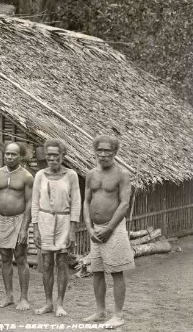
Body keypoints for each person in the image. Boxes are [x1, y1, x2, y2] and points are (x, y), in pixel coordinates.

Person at [83, 135, 134, 329]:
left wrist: (110, 228)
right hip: (95, 230)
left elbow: (124, 204)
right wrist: (88, 227)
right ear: (95, 151)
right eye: (100, 150)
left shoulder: (122, 174)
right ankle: (100, 311)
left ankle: (118, 315)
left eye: (107, 151)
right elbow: (86, 201)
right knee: (96, 271)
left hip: (113, 229)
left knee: (116, 271)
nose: (103, 154)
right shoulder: (91, 174)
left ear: (115, 153)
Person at [31, 138, 81, 316]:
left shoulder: (71, 175)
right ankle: (48, 303)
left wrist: (73, 230)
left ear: (63, 156)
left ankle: (60, 303)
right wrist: (35, 228)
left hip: (63, 222)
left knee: (61, 262)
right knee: (46, 263)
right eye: (49, 155)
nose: (52, 159)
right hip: (44, 221)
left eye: (56, 155)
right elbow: (35, 203)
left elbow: (76, 203)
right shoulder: (39, 176)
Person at [0, 142, 34, 310]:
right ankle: (9, 296)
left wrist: (24, 228)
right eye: (7, 153)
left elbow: (29, 203)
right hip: (1, 219)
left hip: (18, 220)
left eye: (13, 154)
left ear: (20, 156)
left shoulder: (27, 177)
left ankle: (24, 298)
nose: (9, 157)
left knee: (21, 258)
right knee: (5, 258)